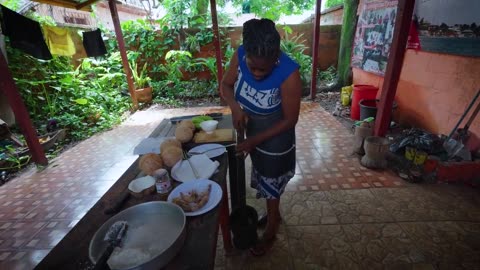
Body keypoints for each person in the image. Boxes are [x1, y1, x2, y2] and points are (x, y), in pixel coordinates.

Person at [220, 18, 302, 255]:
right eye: (251, 66)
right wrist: (236, 108)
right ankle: (274, 214)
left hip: (276, 139)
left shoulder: (289, 74)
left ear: (275, 59)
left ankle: (271, 229)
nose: (256, 73)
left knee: (271, 180)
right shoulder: (241, 54)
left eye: (262, 69)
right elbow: (225, 86)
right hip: (253, 133)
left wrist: (254, 140)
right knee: (265, 181)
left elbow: (290, 120)